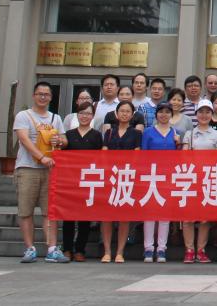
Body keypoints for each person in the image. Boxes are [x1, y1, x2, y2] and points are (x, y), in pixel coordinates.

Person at [13, 80, 68, 264]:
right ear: (34, 96)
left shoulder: (55, 118)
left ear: (51, 97)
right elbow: (24, 140)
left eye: (46, 94)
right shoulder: (24, 116)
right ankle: (30, 248)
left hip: (50, 169)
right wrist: (41, 157)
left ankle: (52, 248)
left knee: (49, 211)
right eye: (40, 94)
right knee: (26, 210)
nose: (43, 97)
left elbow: (64, 139)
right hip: (27, 168)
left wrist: (59, 141)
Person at [60, 100, 101, 262]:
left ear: (93, 116)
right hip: (70, 181)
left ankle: (80, 250)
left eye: (88, 113)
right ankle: (67, 248)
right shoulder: (69, 135)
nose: (85, 116)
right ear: (77, 115)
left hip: (88, 181)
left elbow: (100, 159)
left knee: (85, 217)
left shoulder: (97, 136)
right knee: (68, 217)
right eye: (82, 113)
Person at [101, 100, 141, 263]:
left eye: (127, 111)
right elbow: (104, 153)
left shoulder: (136, 134)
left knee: (124, 216)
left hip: (127, 176)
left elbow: (137, 155)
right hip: (110, 177)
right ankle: (107, 251)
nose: (124, 114)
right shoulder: (109, 132)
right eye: (122, 111)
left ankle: (120, 252)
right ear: (116, 114)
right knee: (107, 216)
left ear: (132, 115)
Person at [181, 98, 217, 263]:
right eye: (201, 112)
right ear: (196, 114)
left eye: (207, 112)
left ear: (212, 114)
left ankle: (201, 250)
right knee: (188, 217)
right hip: (191, 178)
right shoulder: (189, 134)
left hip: (208, 178)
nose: (204, 115)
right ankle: (189, 249)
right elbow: (184, 156)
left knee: (204, 217)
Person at [140, 102, 178, 262]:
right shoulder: (148, 132)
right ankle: (148, 248)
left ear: (171, 115)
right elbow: (143, 154)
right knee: (150, 213)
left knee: (164, 214)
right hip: (151, 176)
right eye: (161, 112)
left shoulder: (175, 132)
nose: (164, 115)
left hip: (168, 177)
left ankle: (162, 248)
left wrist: (178, 143)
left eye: (167, 112)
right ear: (156, 114)